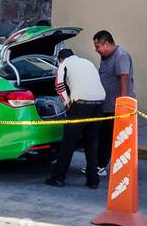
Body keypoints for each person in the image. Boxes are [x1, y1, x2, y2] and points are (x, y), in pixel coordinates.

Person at [46, 47, 107, 188]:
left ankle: (58, 178)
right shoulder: (87, 62)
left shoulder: (64, 64)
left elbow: (59, 85)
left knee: (68, 143)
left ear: (60, 59)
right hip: (99, 105)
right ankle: (93, 180)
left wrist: (67, 103)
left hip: (81, 105)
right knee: (92, 143)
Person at [93, 30, 135, 178]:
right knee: (101, 135)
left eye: (98, 46)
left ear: (106, 43)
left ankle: (101, 167)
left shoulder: (120, 55)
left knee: (107, 138)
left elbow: (124, 78)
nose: (96, 50)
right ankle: (97, 165)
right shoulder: (106, 57)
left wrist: (122, 104)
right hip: (105, 105)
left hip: (115, 107)